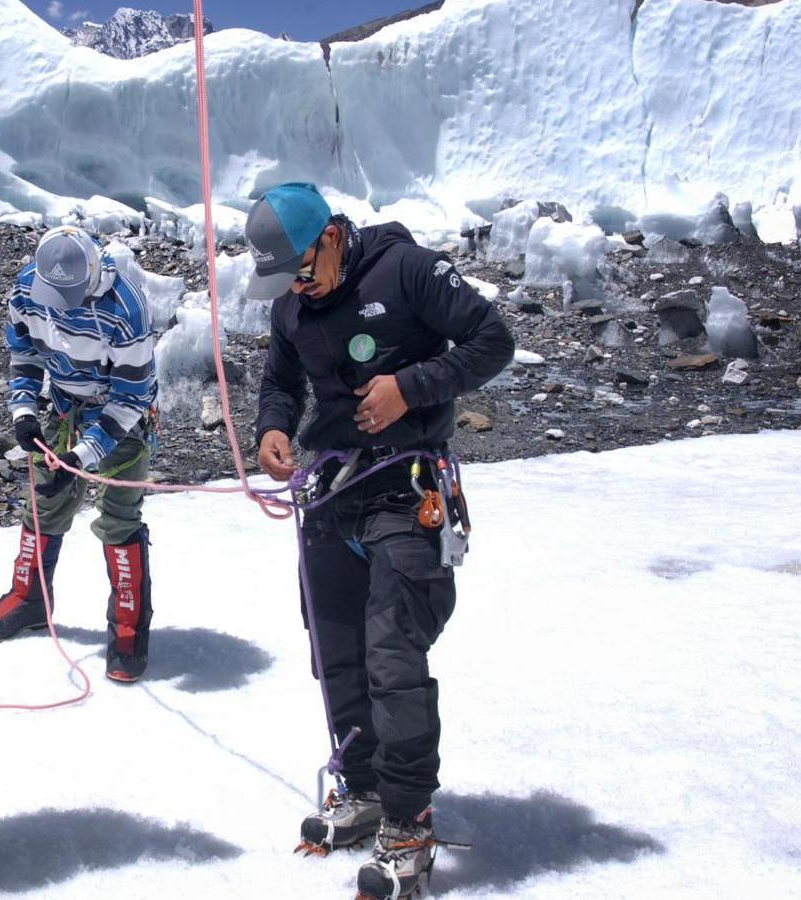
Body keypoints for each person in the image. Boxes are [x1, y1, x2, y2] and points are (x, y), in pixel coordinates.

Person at [245, 183, 514, 899]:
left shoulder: (407, 272)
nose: (297, 287)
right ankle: (360, 789)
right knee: (336, 655)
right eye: (285, 279)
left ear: (332, 235)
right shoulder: (290, 304)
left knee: (394, 657)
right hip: (332, 495)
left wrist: (412, 387)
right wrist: (273, 428)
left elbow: (495, 339)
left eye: (303, 268)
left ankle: (407, 820)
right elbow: (280, 381)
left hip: (408, 487)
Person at [0, 226, 160, 684]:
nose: (60, 306)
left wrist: (83, 455)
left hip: (121, 418)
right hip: (62, 406)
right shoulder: (26, 287)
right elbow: (23, 350)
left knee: (119, 516)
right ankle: (30, 596)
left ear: (93, 273)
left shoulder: (126, 310)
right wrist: (22, 409)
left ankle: (129, 625)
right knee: (44, 501)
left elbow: (131, 398)